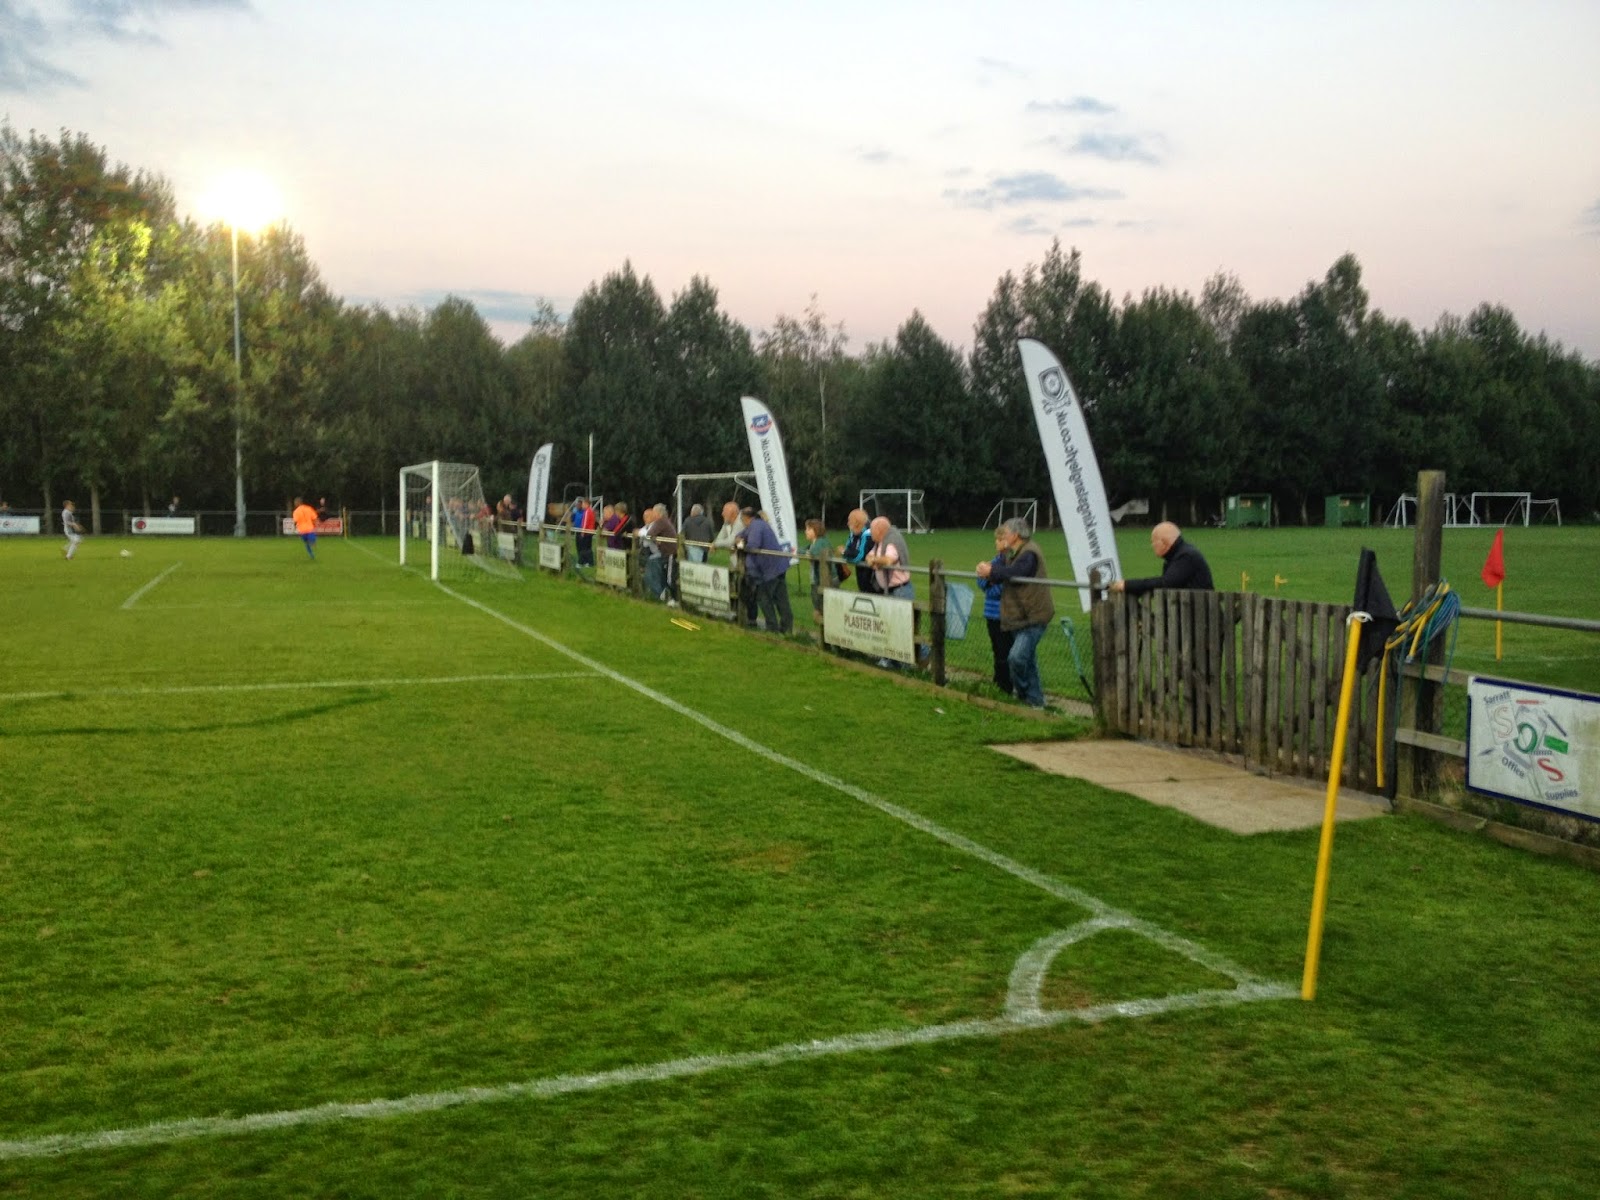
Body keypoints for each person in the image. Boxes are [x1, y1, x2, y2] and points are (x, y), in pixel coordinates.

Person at [978, 517, 1055, 708]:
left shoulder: (1029, 553)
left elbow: (1016, 573)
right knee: (1027, 661)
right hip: (1020, 616)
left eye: (1005, 533)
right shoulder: (1014, 553)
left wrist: (991, 572)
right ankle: (1035, 701)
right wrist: (988, 570)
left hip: (1033, 616)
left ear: (1015, 535)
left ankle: (1023, 696)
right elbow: (1005, 571)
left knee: (1017, 657)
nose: (1003, 536)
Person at [1110, 521, 1214, 595]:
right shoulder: (1177, 556)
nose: (1152, 546)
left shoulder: (1186, 556)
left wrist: (1127, 585)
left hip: (1199, 618)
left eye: (1153, 541)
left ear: (1164, 542)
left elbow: (1166, 584)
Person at [739, 505, 792, 634]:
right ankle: (787, 628)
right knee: (781, 598)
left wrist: (741, 546)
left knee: (764, 598)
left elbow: (753, 546)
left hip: (769, 569)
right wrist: (739, 537)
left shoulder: (756, 527)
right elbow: (742, 534)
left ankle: (772, 627)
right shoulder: (757, 525)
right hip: (778, 566)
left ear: (746, 518)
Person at [979, 528, 1014, 695]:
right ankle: (998, 680)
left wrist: (991, 586)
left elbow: (1003, 588)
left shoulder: (1011, 563)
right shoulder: (994, 561)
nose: (996, 543)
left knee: (1004, 651)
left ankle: (1005, 686)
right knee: (996, 649)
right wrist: (988, 583)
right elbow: (980, 580)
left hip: (1003, 615)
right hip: (990, 614)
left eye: (999, 540)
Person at [721, 501, 757, 626]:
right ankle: (738, 614)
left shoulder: (745, 525)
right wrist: (736, 543)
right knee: (739, 588)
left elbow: (746, 544)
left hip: (748, 564)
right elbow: (738, 539)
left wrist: (736, 544)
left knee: (748, 591)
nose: (722, 514)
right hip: (739, 562)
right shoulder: (730, 524)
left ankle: (750, 619)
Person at [864, 516, 913, 601]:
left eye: (872, 530)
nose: (870, 533)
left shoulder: (892, 541)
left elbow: (888, 560)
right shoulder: (879, 542)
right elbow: (869, 556)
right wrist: (872, 561)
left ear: (879, 531)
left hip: (899, 591)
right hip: (888, 590)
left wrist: (874, 560)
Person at [803, 518, 839, 623]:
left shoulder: (821, 542)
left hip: (826, 580)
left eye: (808, 529)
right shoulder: (814, 543)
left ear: (816, 530)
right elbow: (804, 550)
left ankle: (826, 629)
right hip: (818, 580)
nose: (806, 531)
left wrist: (808, 553)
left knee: (824, 608)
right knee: (819, 605)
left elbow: (813, 553)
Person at [839, 508, 878, 594]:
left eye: (850, 520)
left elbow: (860, 556)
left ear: (857, 522)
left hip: (871, 572)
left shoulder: (868, 534)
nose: (848, 523)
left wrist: (845, 553)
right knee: (862, 591)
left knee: (871, 593)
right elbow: (848, 548)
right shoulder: (853, 533)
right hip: (860, 568)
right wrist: (846, 553)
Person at [571, 497, 598, 566]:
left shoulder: (587, 512)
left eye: (583, 504)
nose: (582, 505)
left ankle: (581, 562)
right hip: (589, 532)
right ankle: (589, 562)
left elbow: (585, 523)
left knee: (583, 548)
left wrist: (583, 532)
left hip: (586, 532)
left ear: (586, 504)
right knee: (588, 548)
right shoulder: (591, 511)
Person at [292, 496, 320, 560]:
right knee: (311, 541)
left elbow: (295, 521)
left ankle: (311, 553)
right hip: (310, 529)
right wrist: (315, 524)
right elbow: (314, 517)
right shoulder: (309, 508)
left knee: (306, 543)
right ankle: (313, 543)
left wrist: (294, 527)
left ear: (297, 502)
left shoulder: (296, 511)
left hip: (302, 530)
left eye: (295, 502)